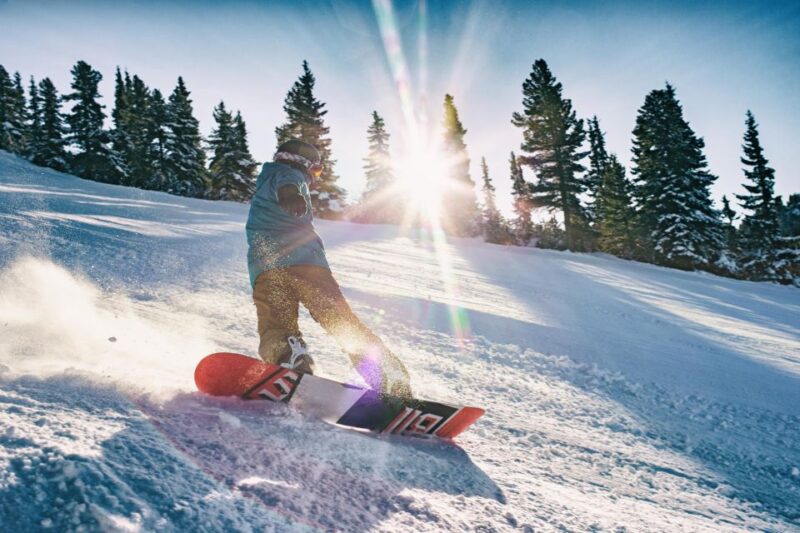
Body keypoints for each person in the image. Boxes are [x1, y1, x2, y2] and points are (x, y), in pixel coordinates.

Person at [246, 139, 412, 398]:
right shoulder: (289, 175)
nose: (315, 177)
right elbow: (288, 183)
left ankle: (288, 357)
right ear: (303, 164)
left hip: (267, 268)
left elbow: (282, 184)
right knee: (337, 318)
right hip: (304, 263)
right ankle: (386, 373)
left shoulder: (265, 180)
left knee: (275, 322)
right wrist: (292, 194)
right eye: (316, 170)